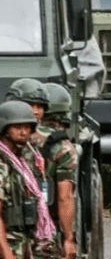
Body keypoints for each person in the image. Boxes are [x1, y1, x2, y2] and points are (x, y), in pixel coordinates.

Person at [0, 100, 55, 259]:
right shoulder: (3, 164)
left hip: (23, 241)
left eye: (27, 127)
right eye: (17, 127)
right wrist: (5, 251)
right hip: (9, 242)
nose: (24, 132)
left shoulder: (21, 160)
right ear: (4, 129)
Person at [34, 83, 79, 259]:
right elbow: (64, 196)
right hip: (46, 228)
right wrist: (69, 239)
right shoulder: (63, 148)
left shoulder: (14, 137)